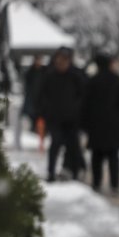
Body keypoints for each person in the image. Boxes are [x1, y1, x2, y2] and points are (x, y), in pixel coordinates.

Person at [37, 47, 86, 182]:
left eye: (64, 60)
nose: (61, 62)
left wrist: (77, 110)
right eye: (59, 59)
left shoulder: (76, 75)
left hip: (71, 119)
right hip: (54, 118)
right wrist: (44, 112)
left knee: (73, 146)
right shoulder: (49, 75)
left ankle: (75, 173)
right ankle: (51, 173)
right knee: (55, 143)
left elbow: (83, 95)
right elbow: (42, 95)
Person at [82, 53, 119, 193]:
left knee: (97, 157)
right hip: (114, 125)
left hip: (96, 125)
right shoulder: (118, 80)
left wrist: (85, 124)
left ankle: (96, 183)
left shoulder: (92, 81)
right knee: (114, 157)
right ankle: (115, 184)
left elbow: (85, 104)